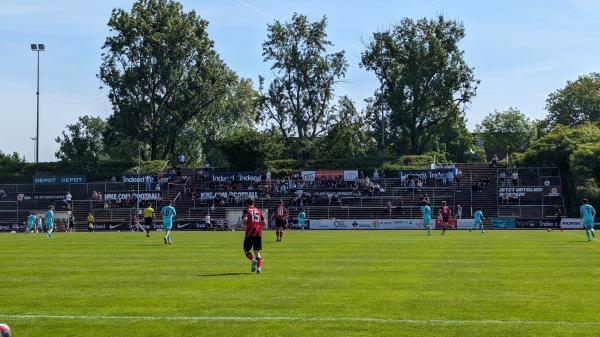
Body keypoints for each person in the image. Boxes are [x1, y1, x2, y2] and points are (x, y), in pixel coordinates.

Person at [242, 196, 267, 274]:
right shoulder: (258, 210)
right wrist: (257, 225)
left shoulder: (246, 210)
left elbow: (245, 219)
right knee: (257, 252)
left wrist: (244, 225)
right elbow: (264, 222)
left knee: (246, 250)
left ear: (246, 203)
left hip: (250, 233)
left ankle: (253, 260)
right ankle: (259, 268)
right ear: (253, 202)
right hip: (258, 232)